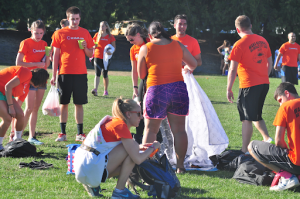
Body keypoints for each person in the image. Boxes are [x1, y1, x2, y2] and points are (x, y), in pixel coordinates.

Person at [137, 21, 197, 173]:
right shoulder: (178, 45)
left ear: (149, 35)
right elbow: (194, 64)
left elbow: (142, 75)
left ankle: (146, 164)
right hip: (178, 89)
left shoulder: (146, 48)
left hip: (156, 89)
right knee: (179, 130)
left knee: (150, 130)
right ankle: (181, 166)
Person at [74, 97, 160, 198]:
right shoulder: (121, 125)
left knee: (133, 147)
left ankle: (92, 185)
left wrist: (140, 147)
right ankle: (120, 191)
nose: (141, 117)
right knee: (133, 151)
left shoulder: (114, 121)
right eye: (138, 113)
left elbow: (107, 146)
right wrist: (153, 147)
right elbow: (138, 159)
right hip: (90, 167)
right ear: (128, 114)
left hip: (82, 168)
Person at [227, 15, 273, 153]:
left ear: (237, 29)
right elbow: (269, 62)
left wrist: (229, 88)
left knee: (247, 118)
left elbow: (232, 68)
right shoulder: (263, 40)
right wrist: (264, 75)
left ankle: (244, 150)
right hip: (264, 83)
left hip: (249, 85)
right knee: (256, 115)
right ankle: (267, 139)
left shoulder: (239, 44)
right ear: (251, 26)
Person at [51, 6, 94, 142]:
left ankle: (80, 133)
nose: (75, 22)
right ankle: (62, 133)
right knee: (64, 103)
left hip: (81, 73)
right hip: (64, 72)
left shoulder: (85, 33)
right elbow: (56, 56)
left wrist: (85, 47)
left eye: (77, 19)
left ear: (80, 19)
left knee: (79, 103)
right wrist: (54, 75)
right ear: (67, 19)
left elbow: (90, 54)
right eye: (72, 19)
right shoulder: (59, 33)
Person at [248, 82, 300, 191]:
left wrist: (286, 151)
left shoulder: (286, 107)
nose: (280, 104)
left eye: (280, 100)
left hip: (297, 163)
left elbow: (278, 141)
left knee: (252, 146)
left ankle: (288, 177)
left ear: (287, 93)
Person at [14, 20, 51, 145]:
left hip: (41, 79)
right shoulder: (25, 43)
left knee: (35, 108)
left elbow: (46, 64)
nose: (38, 36)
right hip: (28, 78)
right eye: (36, 33)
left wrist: (48, 57)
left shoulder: (45, 44)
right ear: (31, 30)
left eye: (41, 33)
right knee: (28, 108)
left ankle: (31, 136)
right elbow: (18, 63)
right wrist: (36, 64)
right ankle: (17, 136)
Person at [0, 66, 49, 150]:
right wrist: (11, 106)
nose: (40, 86)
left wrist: (13, 131)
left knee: (20, 115)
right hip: (3, 91)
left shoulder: (26, 87)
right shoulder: (27, 73)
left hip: (5, 93)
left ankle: (17, 140)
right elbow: (8, 86)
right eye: (42, 83)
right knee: (7, 119)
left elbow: (18, 107)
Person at [125, 23, 149, 144]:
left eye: (131, 39)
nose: (130, 42)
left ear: (138, 35)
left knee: (152, 109)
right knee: (139, 108)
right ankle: (139, 137)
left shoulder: (150, 43)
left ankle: (158, 137)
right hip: (143, 81)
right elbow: (134, 70)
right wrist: (135, 87)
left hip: (154, 80)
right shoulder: (133, 49)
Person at [91, 21, 116, 96]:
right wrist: (93, 46)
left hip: (106, 58)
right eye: (100, 26)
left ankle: (105, 91)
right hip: (97, 56)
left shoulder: (110, 36)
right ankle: (95, 90)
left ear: (106, 27)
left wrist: (110, 52)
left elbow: (113, 47)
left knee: (105, 74)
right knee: (97, 73)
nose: (101, 27)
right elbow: (92, 44)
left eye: (103, 26)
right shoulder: (96, 35)